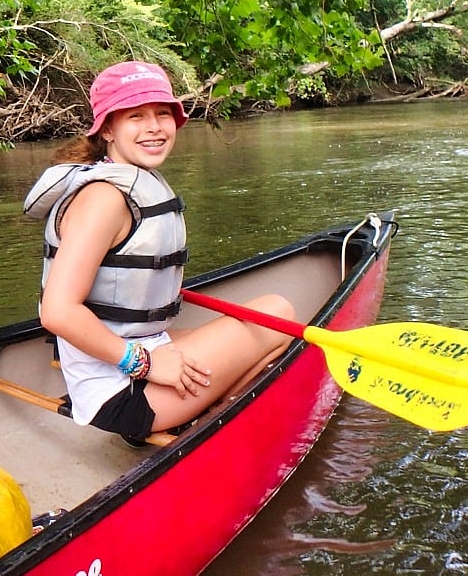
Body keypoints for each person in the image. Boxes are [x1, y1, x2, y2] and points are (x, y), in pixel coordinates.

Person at [22, 60, 294, 444]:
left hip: (138, 357)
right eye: (136, 116)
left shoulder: (127, 179)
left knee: (267, 321)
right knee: (277, 314)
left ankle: (199, 415)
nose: (154, 127)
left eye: (162, 114)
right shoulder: (104, 197)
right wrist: (147, 365)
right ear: (108, 129)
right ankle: (204, 425)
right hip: (122, 393)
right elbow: (57, 312)